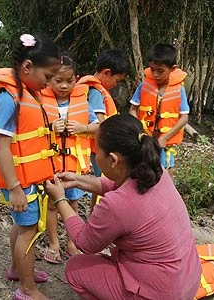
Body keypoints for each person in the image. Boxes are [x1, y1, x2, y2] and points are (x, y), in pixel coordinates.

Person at [45, 114, 201, 300]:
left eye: (97, 149)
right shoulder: (156, 172)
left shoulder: (115, 205)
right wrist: (78, 180)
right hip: (187, 282)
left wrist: (60, 200)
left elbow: (84, 243)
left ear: (112, 159)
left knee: (75, 268)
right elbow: (119, 186)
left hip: (159, 293)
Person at [0, 33, 61, 300]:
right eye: (48, 77)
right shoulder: (8, 97)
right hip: (20, 182)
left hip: (29, 179)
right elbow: (2, 146)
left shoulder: (28, 91)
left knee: (22, 227)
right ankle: (26, 290)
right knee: (28, 231)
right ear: (27, 67)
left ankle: (18, 270)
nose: (49, 84)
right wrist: (15, 188)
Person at [41, 53, 99, 262]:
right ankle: (54, 243)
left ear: (77, 78)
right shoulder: (41, 101)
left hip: (73, 167)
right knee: (52, 205)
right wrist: (49, 128)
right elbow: (32, 129)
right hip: (51, 165)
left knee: (73, 203)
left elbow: (98, 125)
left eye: (70, 81)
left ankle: (72, 243)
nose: (64, 86)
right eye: (58, 81)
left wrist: (83, 127)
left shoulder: (83, 102)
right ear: (48, 79)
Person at [77, 49, 130, 212]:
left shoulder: (97, 90)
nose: (116, 84)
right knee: (105, 185)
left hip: (102, 148)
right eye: (116, 80)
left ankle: (95, 215)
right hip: (101, 149)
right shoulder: (95, 93)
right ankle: (99, 218)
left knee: (101, 185)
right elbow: (100, 124)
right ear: (107, 72)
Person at [129, 43, 189, 179]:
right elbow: (133, 110)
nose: (155, 74)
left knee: (166, 170)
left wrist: (165, 138)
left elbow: (184, 118)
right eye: (152, 69)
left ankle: (166, 197)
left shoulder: (179, 90)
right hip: (145, 138)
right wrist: (141, 130)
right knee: (142, 168)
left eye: (160, 71)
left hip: (166, 141)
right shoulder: (144, 86)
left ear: (172, 69)